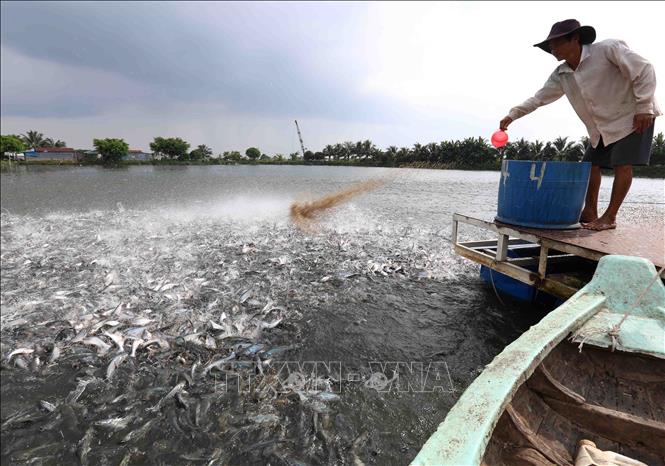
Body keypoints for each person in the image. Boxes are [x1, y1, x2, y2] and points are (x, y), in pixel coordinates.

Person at [499, 19, 660, 231]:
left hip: (633, 116)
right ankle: (590, 211)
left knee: (623, 163)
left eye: (556, 43)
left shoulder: (607, 50)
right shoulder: (562, 74)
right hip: (601, 127)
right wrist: (513, 115)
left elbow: (644, 69)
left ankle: (609, 217)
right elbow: (539, 98)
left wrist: (644, 107)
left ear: (575, 39)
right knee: (589, 165)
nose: (552, 48)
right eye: (550, 46)